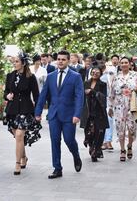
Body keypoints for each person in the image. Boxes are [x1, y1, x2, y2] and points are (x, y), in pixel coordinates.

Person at [35, 50, 84, 179]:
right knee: (55, 141)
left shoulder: (75, 76)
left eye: (63, 59)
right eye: (59, 59)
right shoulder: (50, 76)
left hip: (69, 115)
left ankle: (76, 155)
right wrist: (38, 112)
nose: (60, 61)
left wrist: (77, 114)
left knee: (69, 140)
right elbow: (43, 95)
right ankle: (57, 168)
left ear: (68, 61)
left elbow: (79, 96)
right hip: (54, 115)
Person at [3, 52, 41, 175]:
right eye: (14, 62)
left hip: (25, 109)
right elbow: (6, 93)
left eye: (17, 62)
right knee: (17, 136)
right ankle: (24, 157)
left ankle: (17, 163)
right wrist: (7, 96)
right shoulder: (10, 76)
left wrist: (38, 113)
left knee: (19, 135)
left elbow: (36, 96)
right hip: (12, 109)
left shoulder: (30, 77)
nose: (14, 64)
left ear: (23, 63)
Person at [108, 57, 137, 161]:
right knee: (120, 128)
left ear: (130, 64)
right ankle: (122, 150)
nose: (124, 64)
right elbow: (111, 94)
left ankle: (130, 146)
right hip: (119, 107)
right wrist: (110, 107)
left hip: (131, 106)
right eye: (122, 63)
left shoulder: (135, 75)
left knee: (132, 128)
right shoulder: (116, 77)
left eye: (126, 62)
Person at [81, 67, 109, 162]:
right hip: (88, 111)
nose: (95, 74)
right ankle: (91, 146)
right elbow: (81, 96)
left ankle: (95, 150)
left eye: (97, 72)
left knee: (98, 132)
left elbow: (103, 97)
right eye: (93, 72)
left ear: (100, 74)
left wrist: (92, 92)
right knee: (88, 131)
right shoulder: (86, 83)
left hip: (98, 111)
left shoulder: (102, 84)